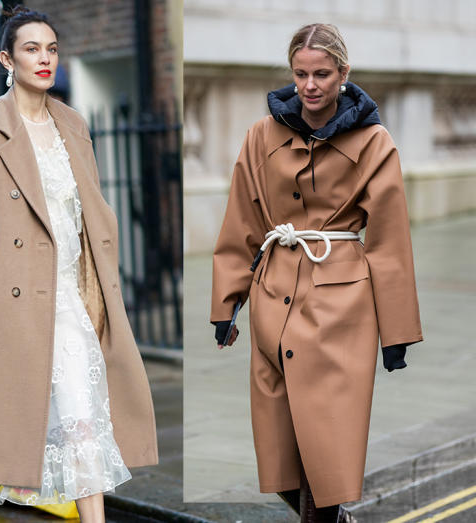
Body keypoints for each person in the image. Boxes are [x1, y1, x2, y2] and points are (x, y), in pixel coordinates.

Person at [0, 7, 158, 523]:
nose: (44, 59)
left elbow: (88, 216)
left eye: (52, 49)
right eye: (32, 48)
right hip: (4, 297)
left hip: (69, 297)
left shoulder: (73, 125)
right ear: (6, 58)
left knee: (83, 417)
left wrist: (99, 282)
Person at [210, 23, 423, 522]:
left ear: (344, 74)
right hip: (273, 299)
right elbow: (241, 221)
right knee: (281, 456)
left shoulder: (374, 142)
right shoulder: (261, 135)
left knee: (325, 453)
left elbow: (390, 241)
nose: (310, 84)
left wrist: (397, 334)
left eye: (322, 73)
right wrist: (226, 305)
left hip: (340, 309)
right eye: (301, 73)